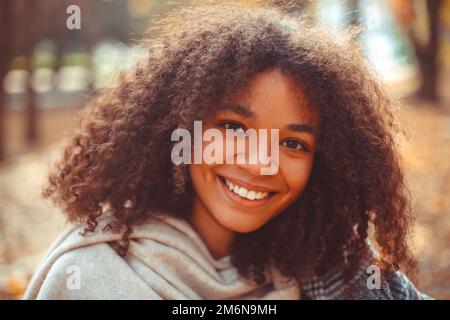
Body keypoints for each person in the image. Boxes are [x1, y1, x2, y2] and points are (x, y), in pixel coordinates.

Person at [24, 3, 429, 300]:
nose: (258, 161)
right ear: (178, 128)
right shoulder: (90, 276)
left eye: (293, 143)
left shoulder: (338, 270)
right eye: (234, 128)